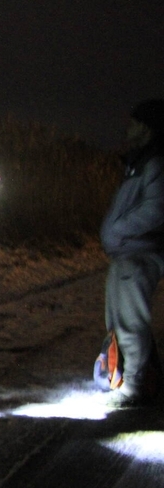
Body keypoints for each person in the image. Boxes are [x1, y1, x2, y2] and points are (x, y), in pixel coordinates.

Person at [100, 99, 164, 407]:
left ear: (149, 128)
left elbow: (156, 210)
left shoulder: (155, 163)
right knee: (118, 321)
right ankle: (129, 378)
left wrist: (118, 230)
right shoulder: (139, 162)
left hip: (139, 254)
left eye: (136, 122)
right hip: (127, 253)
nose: (129, 127)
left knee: (130, 323)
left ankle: (136, 386)